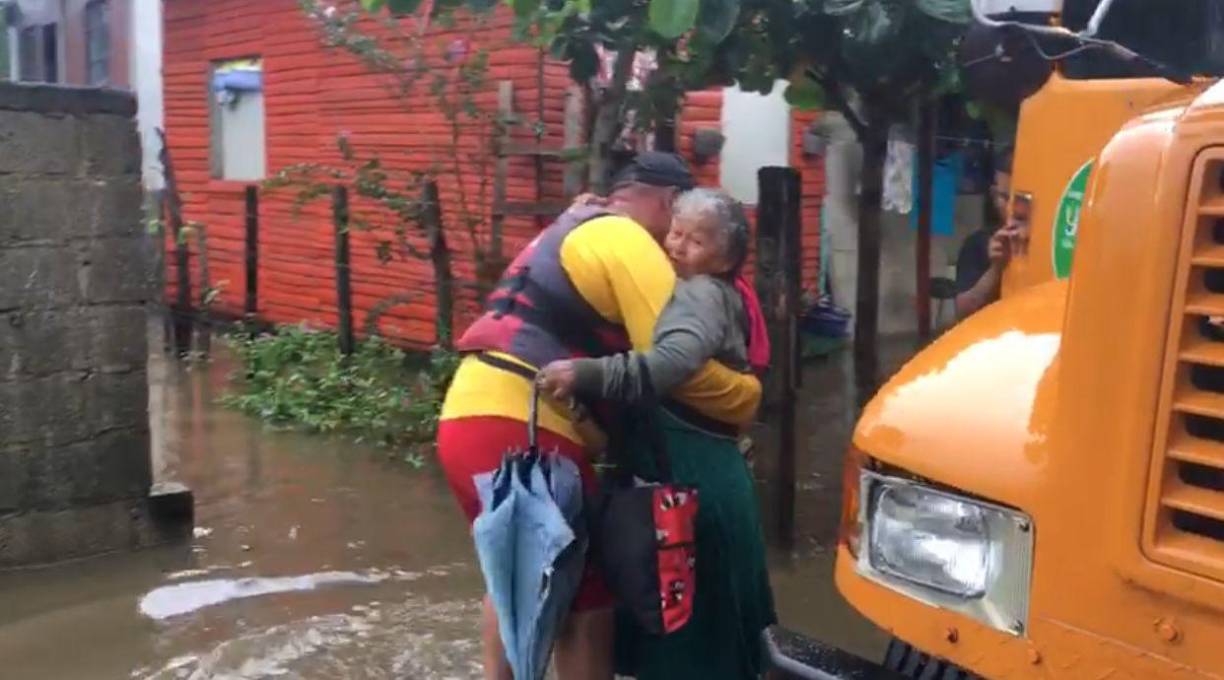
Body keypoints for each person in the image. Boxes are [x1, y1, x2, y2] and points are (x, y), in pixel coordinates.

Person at [435, 152, 762, 680]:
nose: (674, 244)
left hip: (465, 416)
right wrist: (747, 396)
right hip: (528, 425)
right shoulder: (628, 239)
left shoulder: (569, 226)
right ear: (666, 202)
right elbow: (678, 368)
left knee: (515, 576)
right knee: (588, 600)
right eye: (677, 228)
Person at [537, 188, 777, 680]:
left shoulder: (702, 295)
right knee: (711, 618)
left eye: (697, 240)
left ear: (726, 256)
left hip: (693, 477)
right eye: (676, 232)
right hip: (705, 470)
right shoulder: (694, 287)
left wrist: (585, 375)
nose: (677, 245)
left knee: (691, 619)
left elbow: (672, 366)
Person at [955, 147, 1024, 318]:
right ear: (994, 195)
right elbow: (964, 310)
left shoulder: (1052, 242)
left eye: (1020, 200)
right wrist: (997, 267)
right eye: (1005, 198)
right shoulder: (978, 244)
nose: (1011, 209)